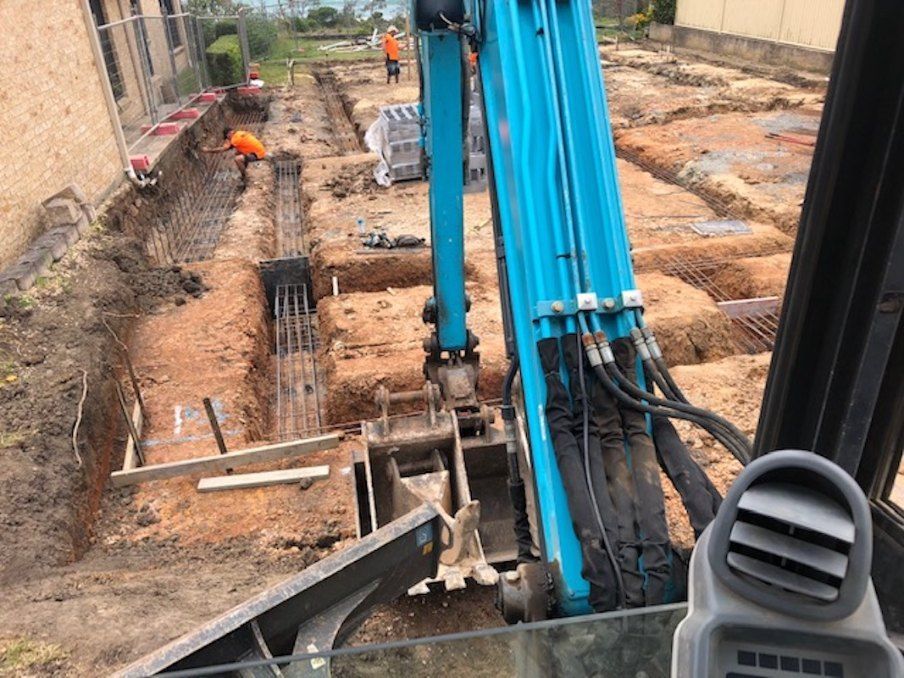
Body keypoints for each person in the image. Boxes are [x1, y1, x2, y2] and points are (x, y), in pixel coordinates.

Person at [202, 127, 266, 183]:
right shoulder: (240, 132)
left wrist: (208, 150)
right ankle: (246, 168)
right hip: (260, 151)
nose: (228, 140)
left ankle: (245, 177)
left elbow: (223, 149)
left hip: (257, 155)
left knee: (237, 159)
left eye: (227, 138)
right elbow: (243, 144)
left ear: (229, 134)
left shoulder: (235, 139)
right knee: (238, 153)